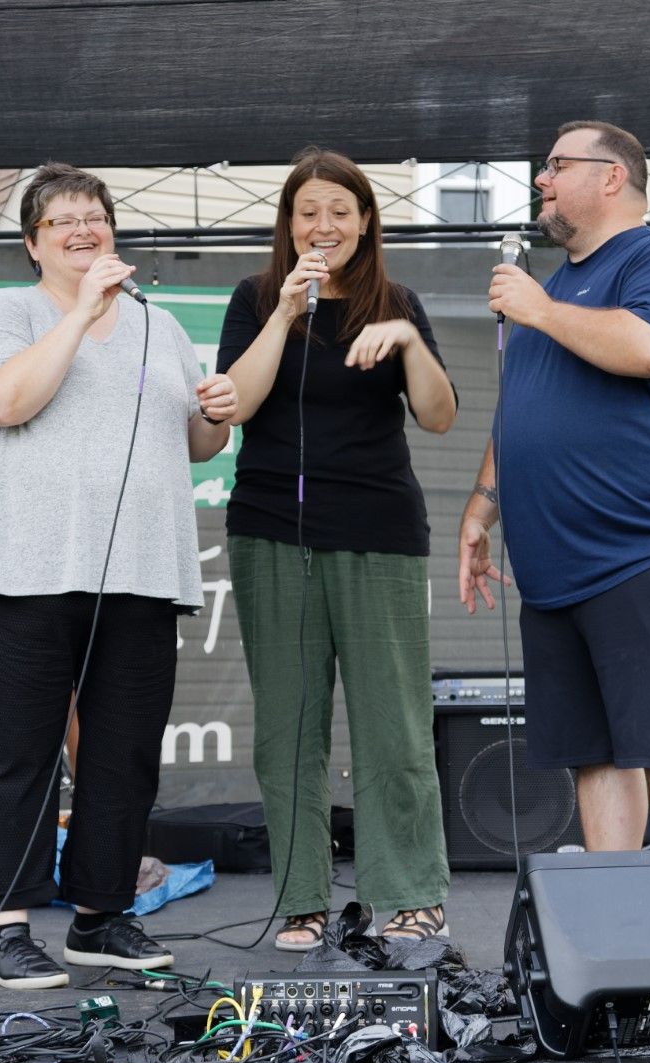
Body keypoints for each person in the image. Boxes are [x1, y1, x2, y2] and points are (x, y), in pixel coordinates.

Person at [0, 162, 237, 988]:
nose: (84, 230)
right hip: (19, 568)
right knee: (15, 754)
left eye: (95, 216)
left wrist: (218, 417)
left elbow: (195, 442)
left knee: (122, 752)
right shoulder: (7, 312)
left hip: (141, 570)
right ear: (33, 244)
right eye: (63, 220)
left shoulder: (158, 324)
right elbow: (7, 403)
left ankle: (101, 917)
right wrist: (79, 312)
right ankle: (4, 929)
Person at [459, 121, 650, 852]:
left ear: (612, 177)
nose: (541, 179)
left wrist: (540, 311)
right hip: (557, 573)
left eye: (557, 165)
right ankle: (618, 920)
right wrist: (483, 509)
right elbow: (523, 411)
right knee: (597, 754)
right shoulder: (551, 293)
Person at [217, 147, 456, 950]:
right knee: (288, 730)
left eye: (340, 212)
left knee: (395, 725)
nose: (324, 226)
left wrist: (410, 342)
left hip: (379, 533)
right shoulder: (255, 298)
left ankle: (412, 894)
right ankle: (303, 901)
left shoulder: (398, 303)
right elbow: (235, 405)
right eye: (308, 212)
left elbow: (439, 417)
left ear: (366, 222)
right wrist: (286, 313)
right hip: (271, 531)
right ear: (288, 224)